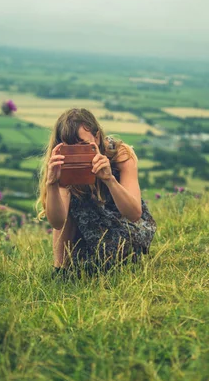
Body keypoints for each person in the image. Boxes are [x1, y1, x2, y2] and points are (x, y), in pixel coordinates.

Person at [37, 108, 157, 275]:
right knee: (74, 201)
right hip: (86, 231)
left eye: (84, 145)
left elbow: (134, 213)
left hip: (127, 227)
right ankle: (60, 271)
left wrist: (110, 180)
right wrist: (52, 184)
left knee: (111, 261)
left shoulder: (121, 155)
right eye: (70, 148)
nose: (78, 153)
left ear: (97, 136)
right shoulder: (61, 165)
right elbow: (58, 222)